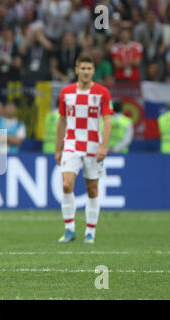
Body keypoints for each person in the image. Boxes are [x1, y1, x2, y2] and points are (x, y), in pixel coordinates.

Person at [55, 54, 113, 244]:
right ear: (76, 69)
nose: (86, 72)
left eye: (89, 69)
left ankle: (90, 232)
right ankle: (69, 229)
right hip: (71, 144)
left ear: (93, 71)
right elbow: (62, 120)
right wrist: (58, 148)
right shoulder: (66, 92)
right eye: (83, 68)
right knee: (66, 185)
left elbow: (107, 119)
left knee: (92, 189)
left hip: (93, 146)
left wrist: (103, 146)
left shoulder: (102, 92)